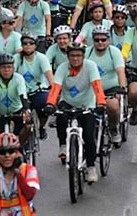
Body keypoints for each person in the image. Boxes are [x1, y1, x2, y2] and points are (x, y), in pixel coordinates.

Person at [45, 41, 105, 184]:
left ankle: (91, 167)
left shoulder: (90, 66)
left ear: (83, 56)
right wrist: (50, 103)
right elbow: (55, 88)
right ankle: (63, 145)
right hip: (67, 103)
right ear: (68, 56)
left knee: (89, 136)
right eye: (72, 56)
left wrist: (101, 102)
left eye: (78, 55)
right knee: (60, 117)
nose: (75, 59)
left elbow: (97, 86)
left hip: (87, 105)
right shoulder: (62, 68)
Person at [0, 132, 40, 216]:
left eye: (11, 151)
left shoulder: (29, 170)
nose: (7, 155)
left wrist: (18, 174)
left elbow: (30, 195)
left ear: (17, 153)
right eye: (2, 152)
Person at [85, 26, 126, 145]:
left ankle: (114, 129)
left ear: (108, 40)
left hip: (110, 88)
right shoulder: (87, 52)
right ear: (92, 40)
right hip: (91, 89)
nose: (100, 42)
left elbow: (120, 72)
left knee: (113, 106)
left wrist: (121, 88)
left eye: (103, 40)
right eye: (97, 40)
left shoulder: (114, 52)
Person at [14, 34, 54, 140]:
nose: (28, 46)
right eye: (25, 43)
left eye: (31, 43)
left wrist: (54, 93)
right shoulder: (17, 58)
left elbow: (50, 77)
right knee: (18, 117)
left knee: (44, 107)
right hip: (21, 92)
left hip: (38, 90)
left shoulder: (41, 58)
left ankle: (42, 127)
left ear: (35, 45)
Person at [0, 53, 31, 139]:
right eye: (3, 67)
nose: (7, 70)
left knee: (20, 137)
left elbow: (23, 95)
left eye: (9, 67)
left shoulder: (18, 78)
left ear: (13, 68)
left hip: (16, 110)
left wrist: (25, 110)